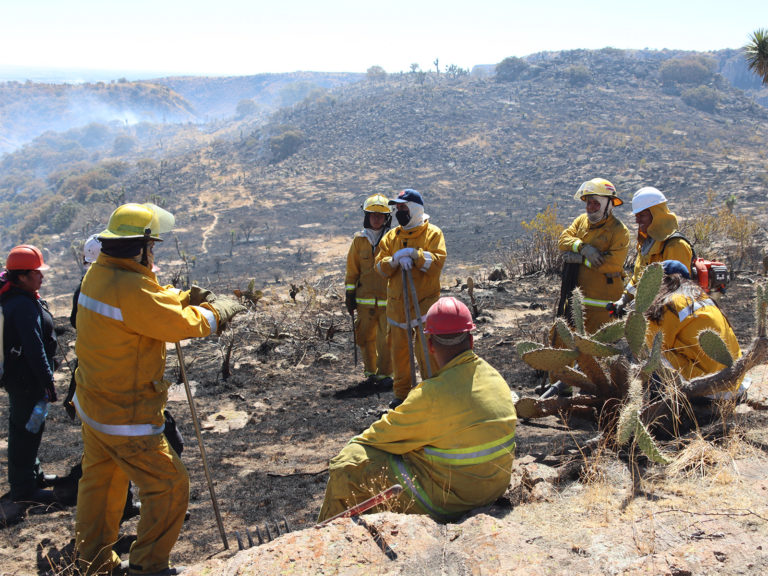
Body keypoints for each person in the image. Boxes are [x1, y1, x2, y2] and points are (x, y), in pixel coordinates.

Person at [73, 203, 245, 576]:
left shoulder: (100, 274)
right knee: (169, 486)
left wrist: (183, 294)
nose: (153, 254)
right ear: (141, 247)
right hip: (127, 417)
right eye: (152, 247)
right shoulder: (130, 288)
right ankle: (148, 566)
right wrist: (219, 310)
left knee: (100, 485)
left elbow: (148, 296)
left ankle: (93, 564)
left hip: (93, 405)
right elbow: (181, 324)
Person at [318, 297, 517, 522]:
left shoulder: (431, 396)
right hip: (492, 491)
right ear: (470, 340)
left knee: (347, 464)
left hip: (452, 503)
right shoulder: (495, 379)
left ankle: (323, 536)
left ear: (430, 345)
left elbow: (376, 439)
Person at [375, 189, 446, 408]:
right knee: (399, 353)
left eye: (403, 208)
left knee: (427, 351)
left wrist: (415, 255)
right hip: (397, 307)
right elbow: (379, 266)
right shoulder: (392, 236)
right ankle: (402, 395)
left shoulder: (432, 233)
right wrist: (394, 260)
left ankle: (432, 391)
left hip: (424, 305)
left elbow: (436, 263)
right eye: (397, 208)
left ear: (414, 209)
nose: (399, 212)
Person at [0, 245, 58, 504]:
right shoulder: (21, 305)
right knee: (25, 430)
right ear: (21, 276)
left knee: (31, 428)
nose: (41, 276)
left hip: (24, 379)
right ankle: (24, 489)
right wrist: (47, 381)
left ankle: (34, 476)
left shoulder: (23, 297)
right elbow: (34, 348)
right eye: (36, 272)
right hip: (26, 381)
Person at [645, 260, 747, 401]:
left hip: (706, 390)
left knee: (654, 353)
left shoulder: (667, 305)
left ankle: (659, 405)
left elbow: (649, 342)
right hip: (735, 383)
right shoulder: (703, 297)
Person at [557, 178, 630, 333]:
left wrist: (581, 260)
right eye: (588, 203)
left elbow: (613, 264)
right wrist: (582, 247)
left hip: (604, 307)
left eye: (596, 203)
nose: (590, 207)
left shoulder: (619, 231)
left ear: (608, 205)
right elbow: (563, 240)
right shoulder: (581, 221)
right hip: (577, 305)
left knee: (598, 351)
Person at [612, 186, 693, 315]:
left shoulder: (676, 246)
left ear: (657, 216)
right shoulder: (645, 244)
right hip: (652, 314)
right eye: (636, 216)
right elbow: (638, 278)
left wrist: (645, 304)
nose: (637, 220)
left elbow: (676, 288)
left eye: (642, 215)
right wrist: (625, 299)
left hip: (675, 315)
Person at [345, 194, 393, 387]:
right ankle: (370, 372)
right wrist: (349, 295)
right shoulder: (359, 241)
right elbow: (352, 271)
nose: (376, 219)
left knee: (386, 340)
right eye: (372, 214)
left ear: (386, 218)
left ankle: (385, 375)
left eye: (380, 216)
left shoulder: (392, 239)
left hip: (388, 301)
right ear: (366, 215)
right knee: (364, 338)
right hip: (364, 302)